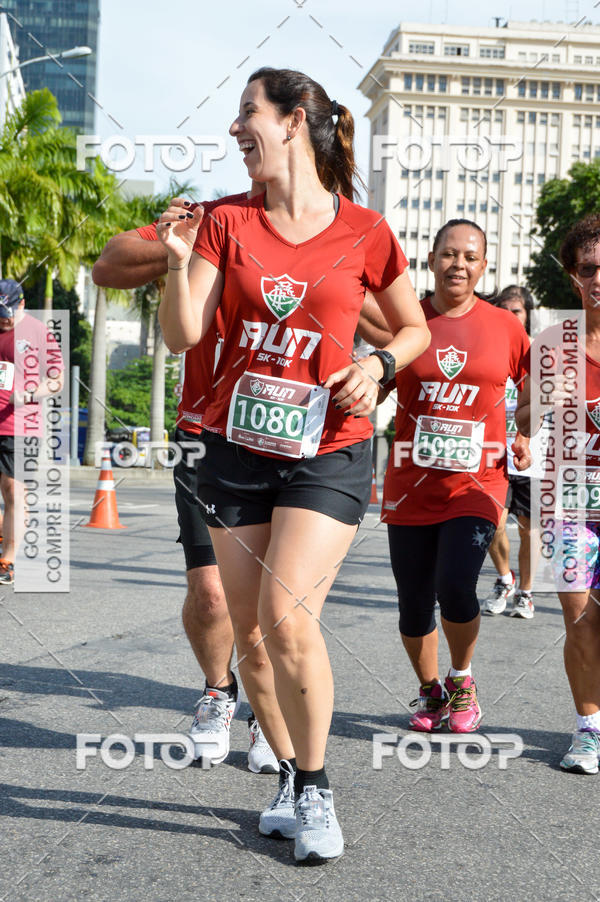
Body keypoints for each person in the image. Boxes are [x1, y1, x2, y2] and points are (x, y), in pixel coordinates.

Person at [157, 66, 429, 861]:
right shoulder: (224, 223)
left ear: (294, 120)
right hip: (237, 449)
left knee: (285, 617)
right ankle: (284, 774)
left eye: (250, 114)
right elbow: (182, 336)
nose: (237, 129)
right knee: (249, 635)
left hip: (330, 450)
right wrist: (175, 261)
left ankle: (316, 788)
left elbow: (411, 331)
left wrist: (378, 368)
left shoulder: (366, 231)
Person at [92, 190, 392, 774]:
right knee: (211, 596)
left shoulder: (337, 233)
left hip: (298, 439)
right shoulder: (219, 217)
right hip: (211, 434)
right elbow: (110, 264)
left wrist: (369, 352)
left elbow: (390, 322)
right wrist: (202, 250)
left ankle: (272, 718)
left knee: (277, 606)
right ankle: (217, 691)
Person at [381, 220, 530, 735]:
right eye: (448, 254)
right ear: (431, 259)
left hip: (478, 484)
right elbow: (378, 381)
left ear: (484, 266)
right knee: (413, 599)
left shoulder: (505, 327)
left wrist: (527, 428)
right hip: (410, 484)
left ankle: (462, 678)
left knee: (456, 584)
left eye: (469, 256)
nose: (458, 264)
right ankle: (430, 690)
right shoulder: (408, 323)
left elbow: (535, 380)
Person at [516, 213, 600, 775]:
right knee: (580, 619)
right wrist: (543, 402)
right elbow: (520, 415)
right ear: (574, 277)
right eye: (589, 268)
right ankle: (589, 728)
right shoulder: (555, 343)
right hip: (570, 501)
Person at [483, 285, 545, 619]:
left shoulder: (541, 353)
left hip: (533, 454)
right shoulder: (487, 348)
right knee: (493, 523)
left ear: (528, 316)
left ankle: (526, 592)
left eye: (516, 311)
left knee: (528, 527)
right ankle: (505, 579)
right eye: (503, 309)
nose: (509, 316)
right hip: (494, 452)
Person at [0, 279, 64, 584]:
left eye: (8, 311)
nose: (4, 318)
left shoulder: (38, 332)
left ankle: (7, 561)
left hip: (21, 425)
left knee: (14, 491)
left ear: (21, 304)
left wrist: (30, 393)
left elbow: (56, 380)